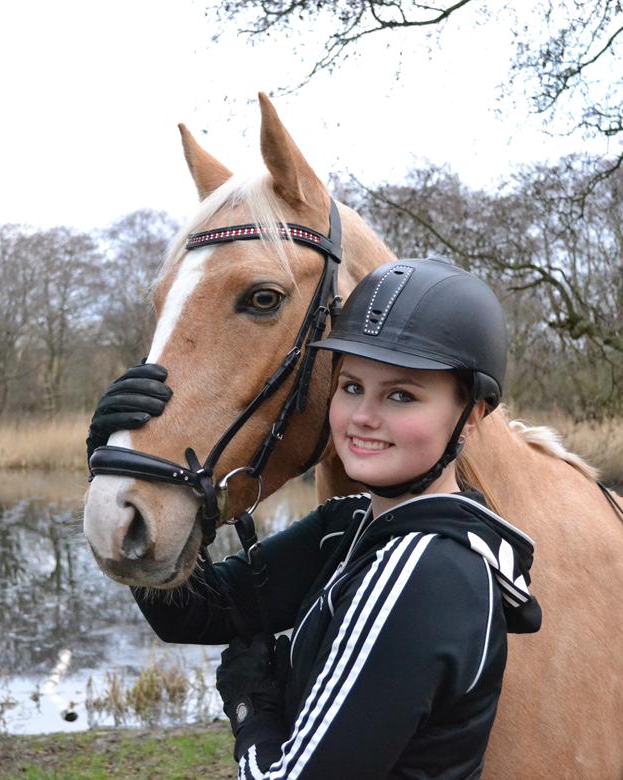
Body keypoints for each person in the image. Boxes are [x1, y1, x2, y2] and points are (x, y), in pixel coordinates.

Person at [87, 257, 541, 779]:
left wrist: (253, 715)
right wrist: (119, 460)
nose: (364, 416)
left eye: (401, 395)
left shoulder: (423, 573)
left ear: (471, 418)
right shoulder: (351, 528)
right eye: (351, 387)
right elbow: (195, 613)